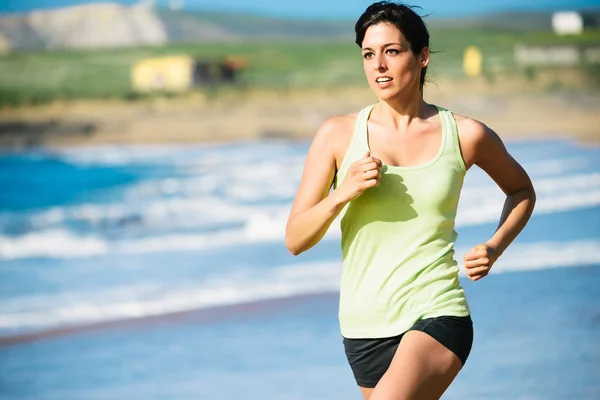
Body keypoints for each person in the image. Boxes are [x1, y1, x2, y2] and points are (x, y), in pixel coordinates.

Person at [285, 1, 536, 399]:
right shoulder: (337, 135)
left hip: (436, 310)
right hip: (363, 326)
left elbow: (521, 190)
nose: (378, 65)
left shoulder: (466, 135)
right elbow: (295, 239)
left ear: (421, 58)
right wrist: (342, 193)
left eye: (392, 51)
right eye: (369, 54)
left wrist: (495, 245)